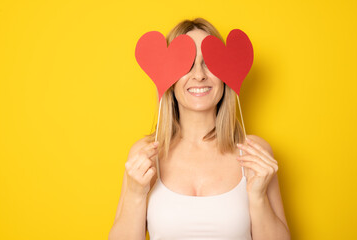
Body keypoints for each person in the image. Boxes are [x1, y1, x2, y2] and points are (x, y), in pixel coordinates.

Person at [109, 18, 291, 240]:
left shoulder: (253, 151)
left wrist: (258, 197)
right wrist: (136, 195)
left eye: (209, 63)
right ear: (168, 77)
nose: (199, 75)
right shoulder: (145, 154)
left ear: (225, 75)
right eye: (186, 64)